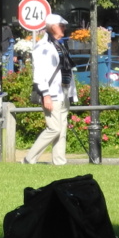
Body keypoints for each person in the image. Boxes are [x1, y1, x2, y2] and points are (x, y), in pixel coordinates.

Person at [23, 13, 74, 166]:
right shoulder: (42, 47)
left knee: (62, 128)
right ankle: (29, 158)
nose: (64, 28)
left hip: (63, 91)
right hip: (51, 93)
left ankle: (59, 161)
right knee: (54, 128)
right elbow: (39, 73)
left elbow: (66, 70)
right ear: (53, 27)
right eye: (61, 25)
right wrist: (46, 95)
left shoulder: (59, 45)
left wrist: (71, 93)